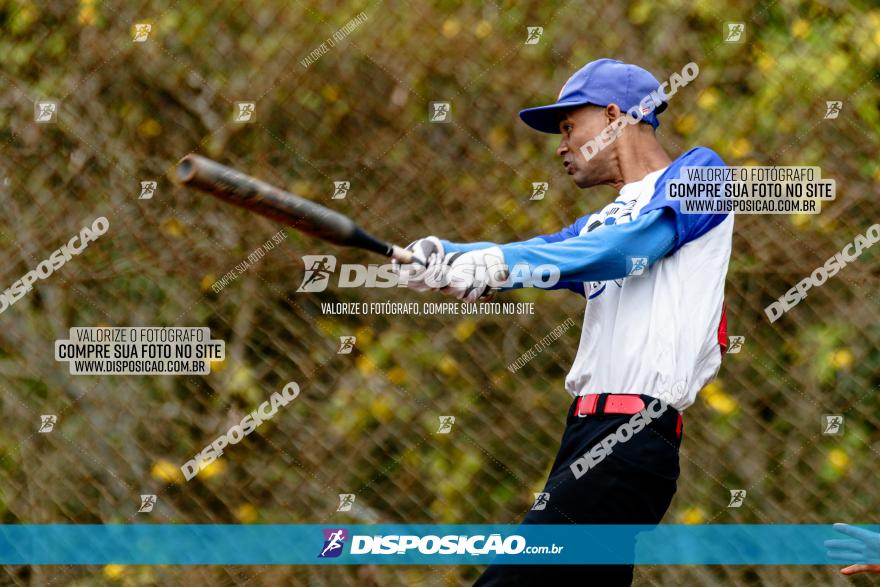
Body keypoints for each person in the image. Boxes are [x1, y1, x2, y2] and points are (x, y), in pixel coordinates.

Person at [396, 58, 733, 585]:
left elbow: (632, 248)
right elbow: (544, 250)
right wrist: (446, 254)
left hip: (631, 434)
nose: (560, 146)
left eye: (570, 126)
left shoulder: (703, 173)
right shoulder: (602, 221)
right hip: (585, 437)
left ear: (617, 116)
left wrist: (506, 265)